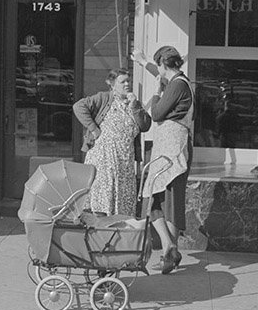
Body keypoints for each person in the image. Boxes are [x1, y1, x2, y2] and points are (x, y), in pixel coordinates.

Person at [136, 45, 193, 274]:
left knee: (158, 198)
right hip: (169, 148)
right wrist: (143, 62)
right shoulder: (179, 81)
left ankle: (169, 248)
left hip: (173, 149)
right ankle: (170, 251)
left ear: (163, 65)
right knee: (163, 200)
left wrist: (156, 93)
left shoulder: (177, 85)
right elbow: (160, 74)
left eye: (157, 66)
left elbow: (157, 113)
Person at [73, 69, 150, 216]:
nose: (127, 84)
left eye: (128, 81)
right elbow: (78, 107)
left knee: (123, 204)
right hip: (103, 160)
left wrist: (135, 106)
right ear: (113, 84)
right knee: (101, 201)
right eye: (123, 82)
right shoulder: (103, 98)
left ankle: (119, 234)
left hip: (124, 162)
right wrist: (94, 129)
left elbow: (145, 125)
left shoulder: (133, 103)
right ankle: (99, 233)